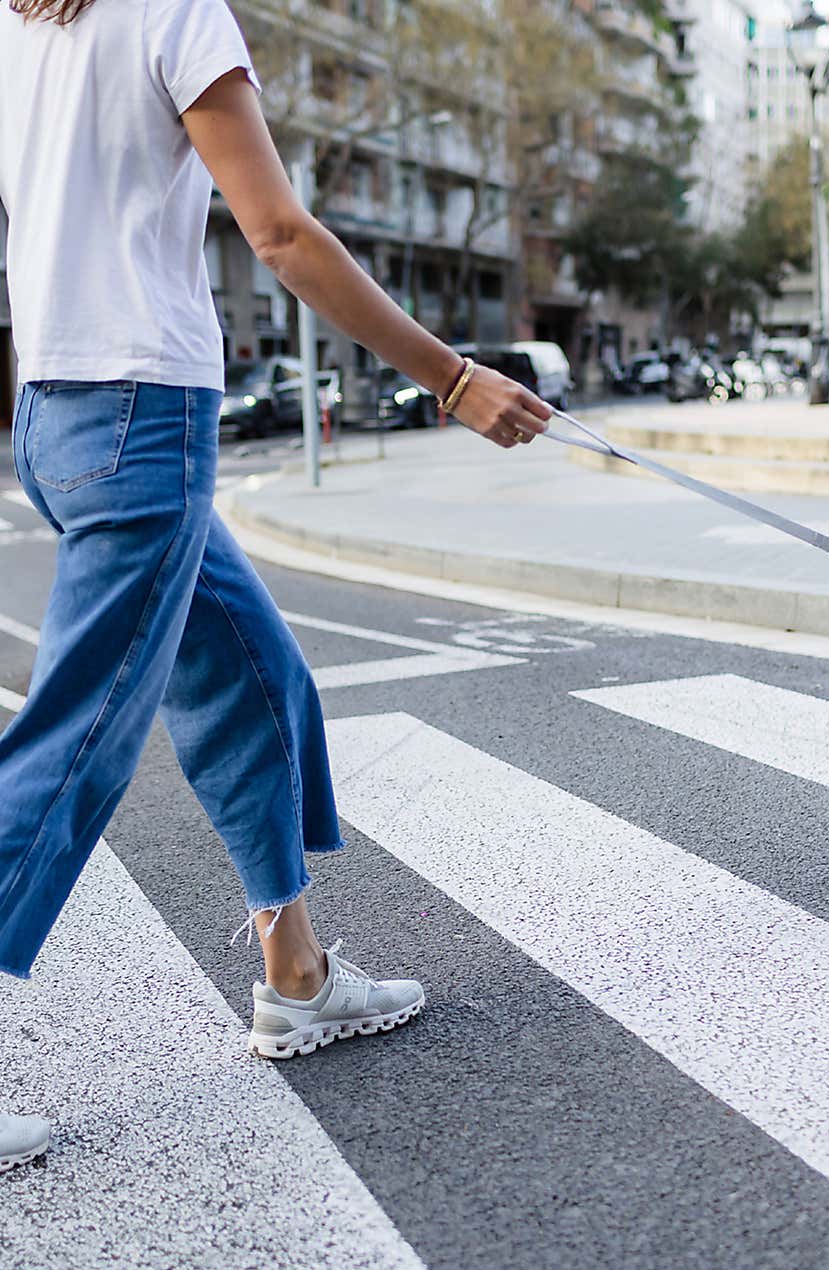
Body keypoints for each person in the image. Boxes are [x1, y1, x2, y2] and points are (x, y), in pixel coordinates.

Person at [0, 0, 552, 1172]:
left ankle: (297, 978)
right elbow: (281, 233)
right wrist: (451, 381)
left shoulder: (19, 25)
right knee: (74, 742)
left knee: (253, 676)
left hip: (59, 408)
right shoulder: (170, 6)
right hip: (142, 413)